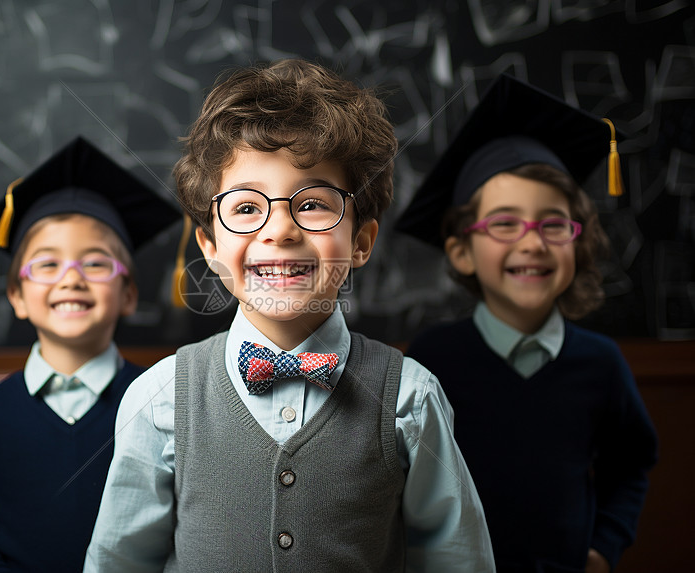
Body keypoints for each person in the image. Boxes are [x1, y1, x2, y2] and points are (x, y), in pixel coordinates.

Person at [84, 59, 495, 572]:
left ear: (362, 241)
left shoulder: (411, 399)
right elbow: (119, 563)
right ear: (209, 245)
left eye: (314, 204)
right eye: (246, 208)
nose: (279, 230)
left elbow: (457, 561)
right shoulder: (159, 399)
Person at [396, 73, 659, 573]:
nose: (533, 242)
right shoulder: (433, 361)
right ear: (461, 250)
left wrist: (604, 547)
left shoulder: (600, 364)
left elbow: (631, 463)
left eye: (553, 224)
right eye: (504, 223)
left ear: (577, 243)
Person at [0, 136, 181, 573]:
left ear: (128, 295)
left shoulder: (159, 402)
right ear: (17, 296)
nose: (71, 279)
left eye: (96, 263)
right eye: (47, 264)